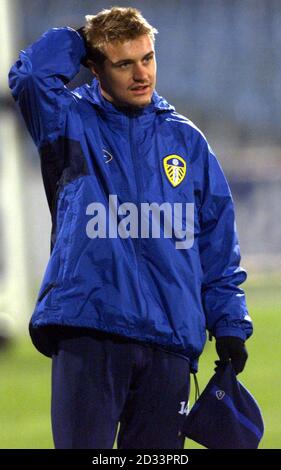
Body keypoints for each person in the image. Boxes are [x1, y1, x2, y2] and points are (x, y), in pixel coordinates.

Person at [9, 7, 252, 449]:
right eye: (124, 63)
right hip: (90, 331)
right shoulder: (68, 123)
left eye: (148, 58)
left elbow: (217, 243)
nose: (142, 74)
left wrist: (230, 321)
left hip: (170, 340)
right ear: (95, 67)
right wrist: (81, 38)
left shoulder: (187, 140)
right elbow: (29, 77)